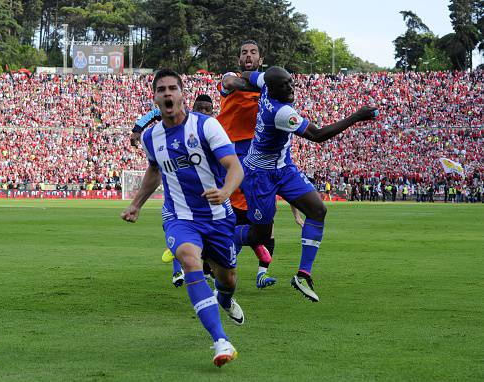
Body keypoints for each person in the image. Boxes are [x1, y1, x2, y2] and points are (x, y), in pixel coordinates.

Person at [121, 69, 244, 367]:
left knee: (227, 278)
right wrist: (137, 203)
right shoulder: (151, 136)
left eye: (172, 88)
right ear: (154, 97)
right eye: (161, 89)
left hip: (217, 216)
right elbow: (155, 170)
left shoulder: (207, 126)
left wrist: (226, 191)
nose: (167, 93)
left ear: (181, 94)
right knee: (189, 259)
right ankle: (220, 341)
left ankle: (224, 298)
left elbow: (235, 167)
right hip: (179, 216)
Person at [232, 66, 377, 302]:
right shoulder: (281, 113)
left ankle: (302, 274)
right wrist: (356, 117)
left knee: (318, 210)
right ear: (272, 88)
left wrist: (241, 79)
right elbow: (318, 135)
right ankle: (224, 235)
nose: (290, 88)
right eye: (284, 85)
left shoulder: (264, 84)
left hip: (283, 168)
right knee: (259, 236)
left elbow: (251, 76)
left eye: (291, 82)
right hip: (260, 174)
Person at [218, 40, 303, 289]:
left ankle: (261, 272)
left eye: (253, 52)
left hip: (257, 155)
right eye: (243, 52)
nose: (247, 55)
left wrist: (296, 209)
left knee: (265, 220)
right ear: (239, 59)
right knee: (221, 212)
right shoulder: (232, 77)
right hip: (228, 152)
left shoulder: (272, 92)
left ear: (260, 59)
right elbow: (232, 84)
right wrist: (263, 82)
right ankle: (202, 258)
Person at [131, 94, 217, 288]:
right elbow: (154, 113)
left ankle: (207, 270)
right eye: (200, 108)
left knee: (217, 258)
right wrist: (137, 130)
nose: (203, 112)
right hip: (177, 197)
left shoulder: (210, 129)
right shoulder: (174, 122)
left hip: (209, 199)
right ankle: (179, 271)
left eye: (207, 109)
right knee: (180, 233)